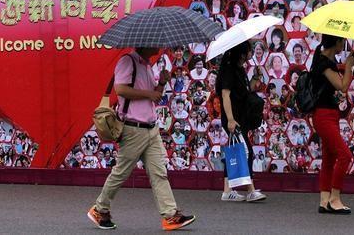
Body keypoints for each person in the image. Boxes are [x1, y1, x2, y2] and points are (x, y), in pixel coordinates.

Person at [89, 48, 196, 231]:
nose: (158, 45)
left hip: (150, 128)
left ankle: (170, 215)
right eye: (155, 42)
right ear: (144, 43)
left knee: (159, 172)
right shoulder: (127, 61)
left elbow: (152, 97)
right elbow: (120, 89)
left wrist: (161, 84)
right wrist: (149, 94)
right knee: (121, 173)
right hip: (133, 129)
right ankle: (100, 209)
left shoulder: (146, 65)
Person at [217, 41, 267, 202]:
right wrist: (230, 120)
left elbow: (245, 91)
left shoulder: (239, 69)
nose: (251, 54)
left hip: (240, 118)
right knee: (247, 152)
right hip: (234, 119)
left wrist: (255, 78)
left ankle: (227, 191)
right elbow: (225, 95)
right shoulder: (229, 69)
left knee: (236, 151)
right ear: (242, 53)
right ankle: (251, 190)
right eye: (248, 51)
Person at [312, 34, 354, 214]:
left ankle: (324, 200)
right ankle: (335, 198)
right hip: (324, 116)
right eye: (342, 41)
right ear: (336, 42)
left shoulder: (324, 61)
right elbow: (343, 86)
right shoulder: (323, 63)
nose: (343, 45)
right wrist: (350, 67)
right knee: (345, 155)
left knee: (329, 159)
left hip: (329, 114)